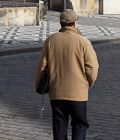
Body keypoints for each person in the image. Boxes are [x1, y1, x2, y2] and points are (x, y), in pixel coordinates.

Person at [36, 9, 98, 140]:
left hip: (57, 92)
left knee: (59, 126)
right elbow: (92, 67)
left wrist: (39, 86)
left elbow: (42, 66)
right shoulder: (83, 42)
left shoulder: (50, 41)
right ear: (75, 24)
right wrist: (89, 82)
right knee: (80, 125)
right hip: (78, 93)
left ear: (61, 24)